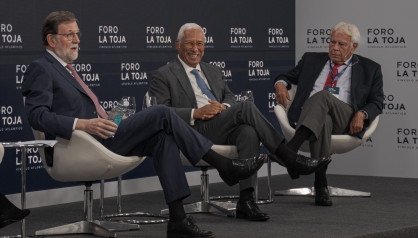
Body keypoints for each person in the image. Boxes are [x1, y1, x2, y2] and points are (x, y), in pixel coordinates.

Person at [22, 11, 266, 238]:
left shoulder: (66, 69)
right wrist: (83, 124)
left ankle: (178, 219)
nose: (76, 39)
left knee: (163, 139)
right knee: (160, 112)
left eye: (77, 34)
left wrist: (110, 117)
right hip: (82, 144)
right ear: (52, 40)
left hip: (104, 134)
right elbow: (37, 116)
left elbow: (77, 109)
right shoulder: (42, 68)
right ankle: (223, 164)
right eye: (69, 35)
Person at [149, 23, 331, 221]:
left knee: (248, 132)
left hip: (219, 125)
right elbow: (160, 112)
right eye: (190, 43)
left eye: (200, 43)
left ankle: (246, 200)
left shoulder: (213, 71)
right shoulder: (164, 74)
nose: (195, 49)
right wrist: (197, 112)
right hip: (191, 132)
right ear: (177, 44)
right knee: (246, 108)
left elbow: (230, 97)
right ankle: (288, 156)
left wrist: (223, 108)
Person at [274, 22, 384, 206]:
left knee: (324, 96)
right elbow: (285, 77)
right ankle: (320, 184)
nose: (334, 48)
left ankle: (290, 150)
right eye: (332, 42)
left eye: (341, 44)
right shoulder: (311, 59)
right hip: (309, 115)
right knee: (323, 118)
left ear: (353, 46)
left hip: (346, 118)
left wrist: (362, 114)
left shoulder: (370, 68)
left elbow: (377, 101)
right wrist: (279, 84)